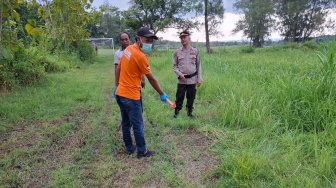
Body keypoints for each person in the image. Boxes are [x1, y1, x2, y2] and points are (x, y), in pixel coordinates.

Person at [113, 27, 168, 159]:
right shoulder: (141, 56)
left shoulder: (128, 49)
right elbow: (151, 79)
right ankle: (142, 151)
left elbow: (119, 68)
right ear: (138, 39)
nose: (149, 44)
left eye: (151, 41)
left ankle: (129, 148)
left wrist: (117, 87)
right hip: (131, 96)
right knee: (138, 124)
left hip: (120, 94)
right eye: (147, 40)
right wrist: (162, 93)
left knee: (126, 123)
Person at [172, 30, 203, 118]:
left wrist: (199, 78)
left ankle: (189, 113)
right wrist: (179, 74)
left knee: (191, 97)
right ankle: (176, 113)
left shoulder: (195, 51)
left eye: (184, 37)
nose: (183, 39)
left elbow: (198, 65)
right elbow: (174, 66)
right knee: (179, 97)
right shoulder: (177, 52)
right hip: (181, 80)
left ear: (189, 38)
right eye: (181, 38)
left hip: (192, 80)